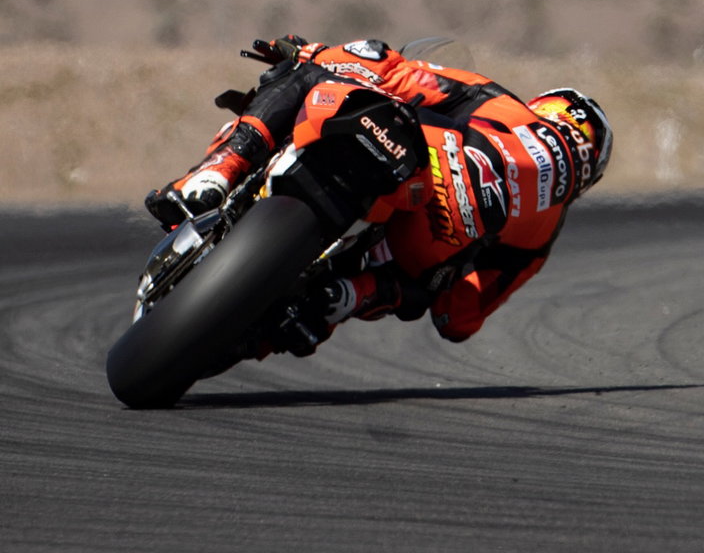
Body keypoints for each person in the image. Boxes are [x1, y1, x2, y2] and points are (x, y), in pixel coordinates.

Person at [146, 35, 612, 350]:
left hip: (412, 154)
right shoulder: (542, 232)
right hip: (420, 245)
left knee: (313, 70)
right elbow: (458, 319)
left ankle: (216, 173)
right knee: (414, 289)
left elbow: (403, 74)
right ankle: (344, 297)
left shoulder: (504, 106)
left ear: (545, 107)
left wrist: (312, 51)